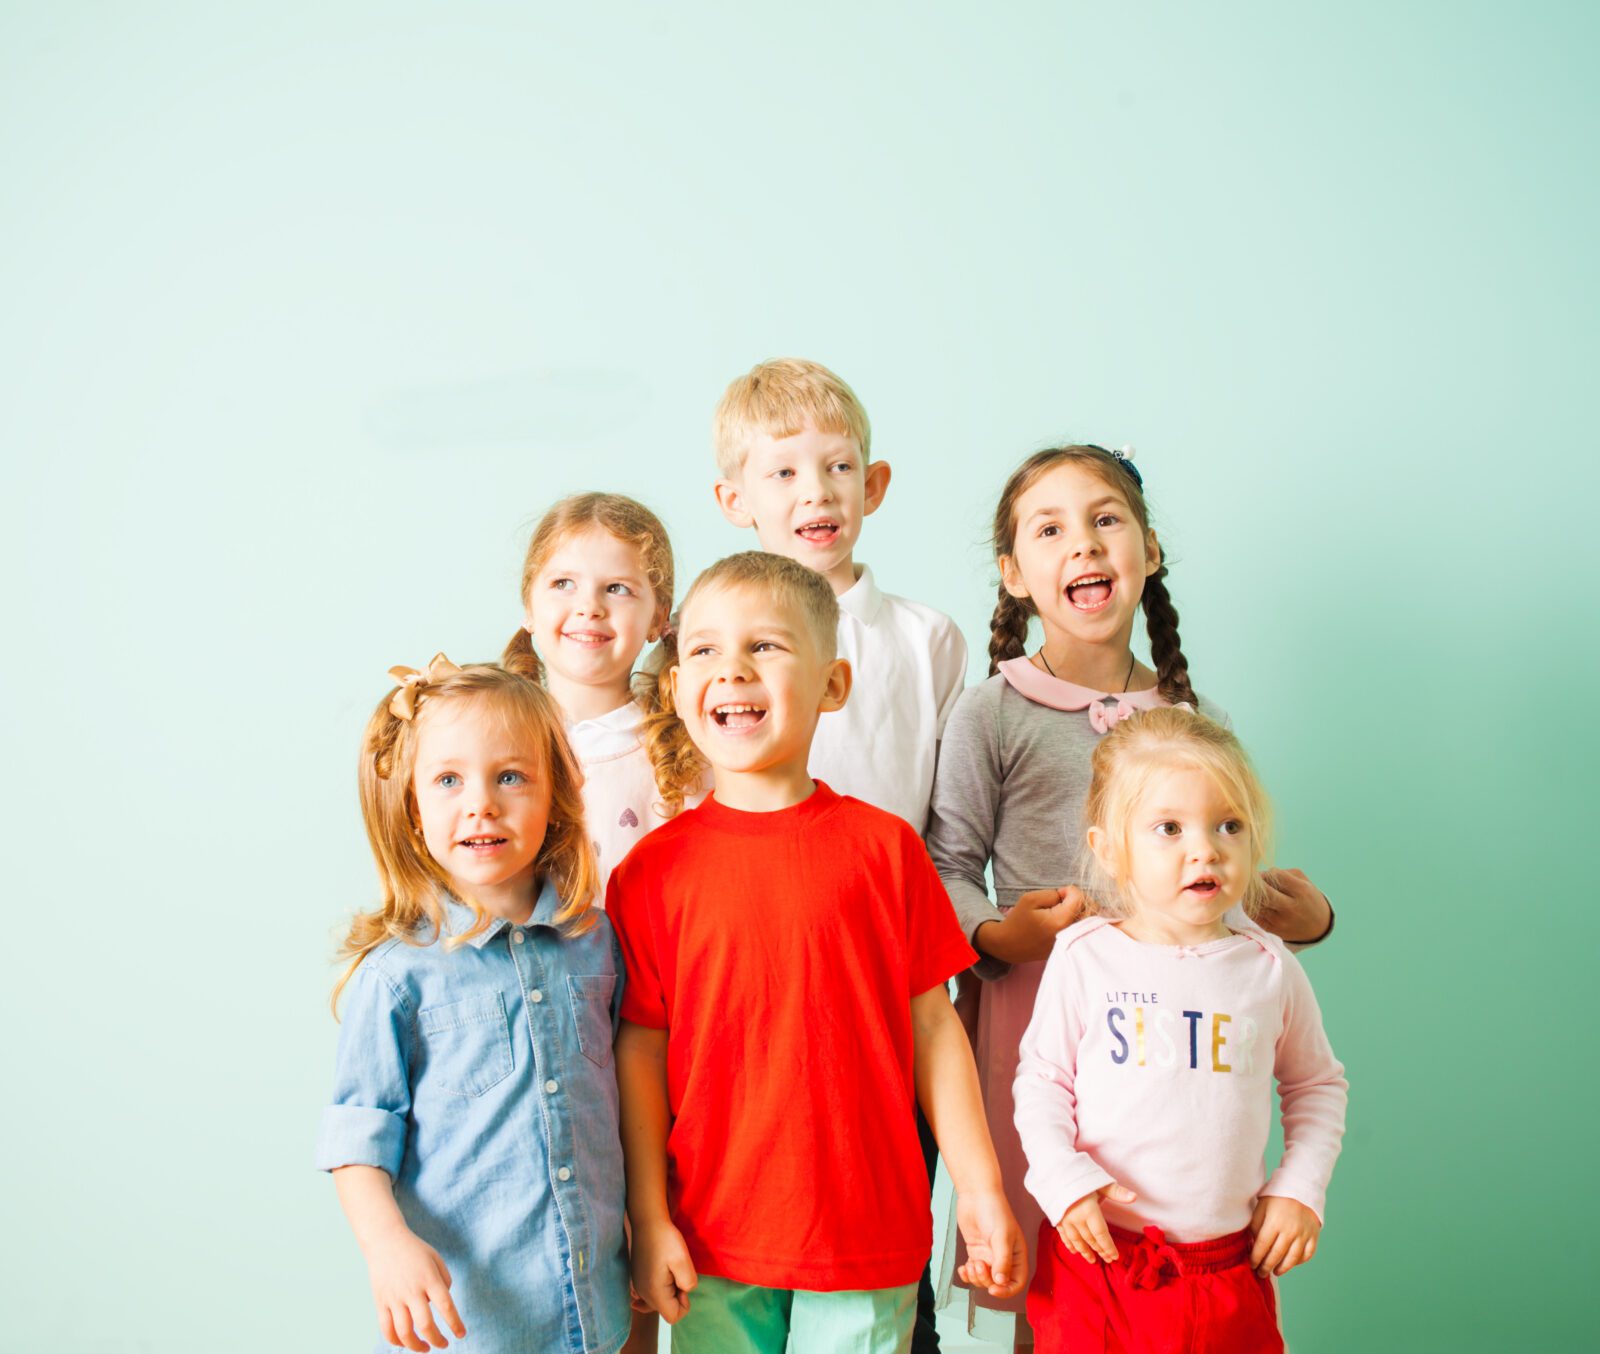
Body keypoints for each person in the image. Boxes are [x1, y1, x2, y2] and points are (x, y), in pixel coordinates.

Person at [924, 444, 1334, 1345]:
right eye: (1051, 528)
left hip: (1175, 1035)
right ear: (1015, 574)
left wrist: (1299, 916)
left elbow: (1221, 860)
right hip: (1037, 1014)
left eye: (1107, 520)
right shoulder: (991, 712)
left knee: (1173, 1236)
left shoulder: (1198, 722)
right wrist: (1000, 936)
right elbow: (946, 863)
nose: (1084, 544)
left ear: (1149, 551)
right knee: (1062, 1257)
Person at [608, 552, 1025, 1354]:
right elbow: (641, 1054)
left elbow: (935, 1032)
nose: (731, 668)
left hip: (865, 1230)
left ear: (833, 685)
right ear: (673, 688)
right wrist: (651, 1217)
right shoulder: (651, 875)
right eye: (702, 650)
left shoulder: (885, 851)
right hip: (711, 1241)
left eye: (765, 646)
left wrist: (978, 1187)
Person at [712, 358, 968, 1348]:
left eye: (835, 467)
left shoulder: (922, 636)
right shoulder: (718, 631)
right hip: (764, 980)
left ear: (874, 485)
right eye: (782, 473)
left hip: (886, 968)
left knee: (886, 1233)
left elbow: (947, 826)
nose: (813, 492)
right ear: (735, 498)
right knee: (748, 1243)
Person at [316, 655, 629, 1353]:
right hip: (479, 1322)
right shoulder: (397, 977)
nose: (480, 803)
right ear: (414, 810)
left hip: (596, 1307)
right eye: (449, 781)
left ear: (555, 797)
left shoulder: (596, 943)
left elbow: (622, 1097)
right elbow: (358, 1133)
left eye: (510, 777)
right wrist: (386, 1244)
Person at [1015, 706, 1347, 1351]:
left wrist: (1300, 1189)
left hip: (1228, 1263)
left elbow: (1317, 1085)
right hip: (1101, 1256)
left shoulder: (1266, 966)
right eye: (1169, 827)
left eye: (1229, 826)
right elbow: (1044, 1081)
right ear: (1110, 849)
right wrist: (1063, 1180)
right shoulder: (1086, 955)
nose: (1206, 849)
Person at [505, 492, 706, 887]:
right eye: (563, 583)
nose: (589, 607)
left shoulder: (682, 752)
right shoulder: (495, 739)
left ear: (657, 618)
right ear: (529, 606)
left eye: (617, 588)